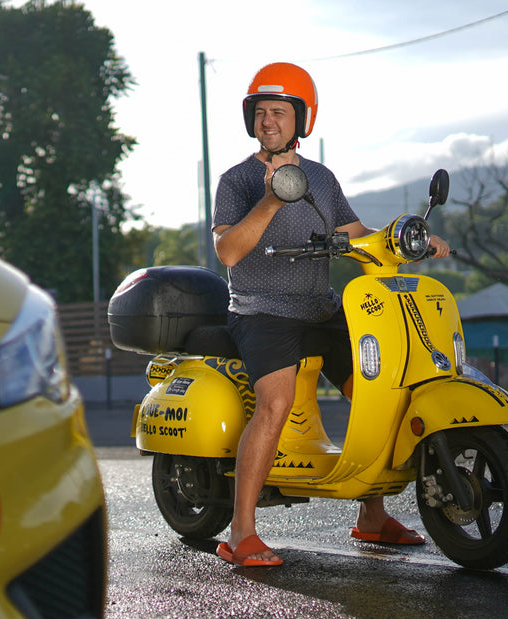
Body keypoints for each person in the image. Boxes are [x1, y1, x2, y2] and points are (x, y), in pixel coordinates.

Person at [211, 62, 451, 567]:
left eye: (279, 112)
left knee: (377, 388)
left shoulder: (321, 178)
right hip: (260, 310)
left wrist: (410, 239)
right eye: (260, 112)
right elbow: (228, 251)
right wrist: (272, 201)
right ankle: (240, 533)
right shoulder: (236, 180)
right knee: (275, 404)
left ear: (302, 118)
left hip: (320, 308)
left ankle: (372, 516)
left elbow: (359, 236)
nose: (268, 121)